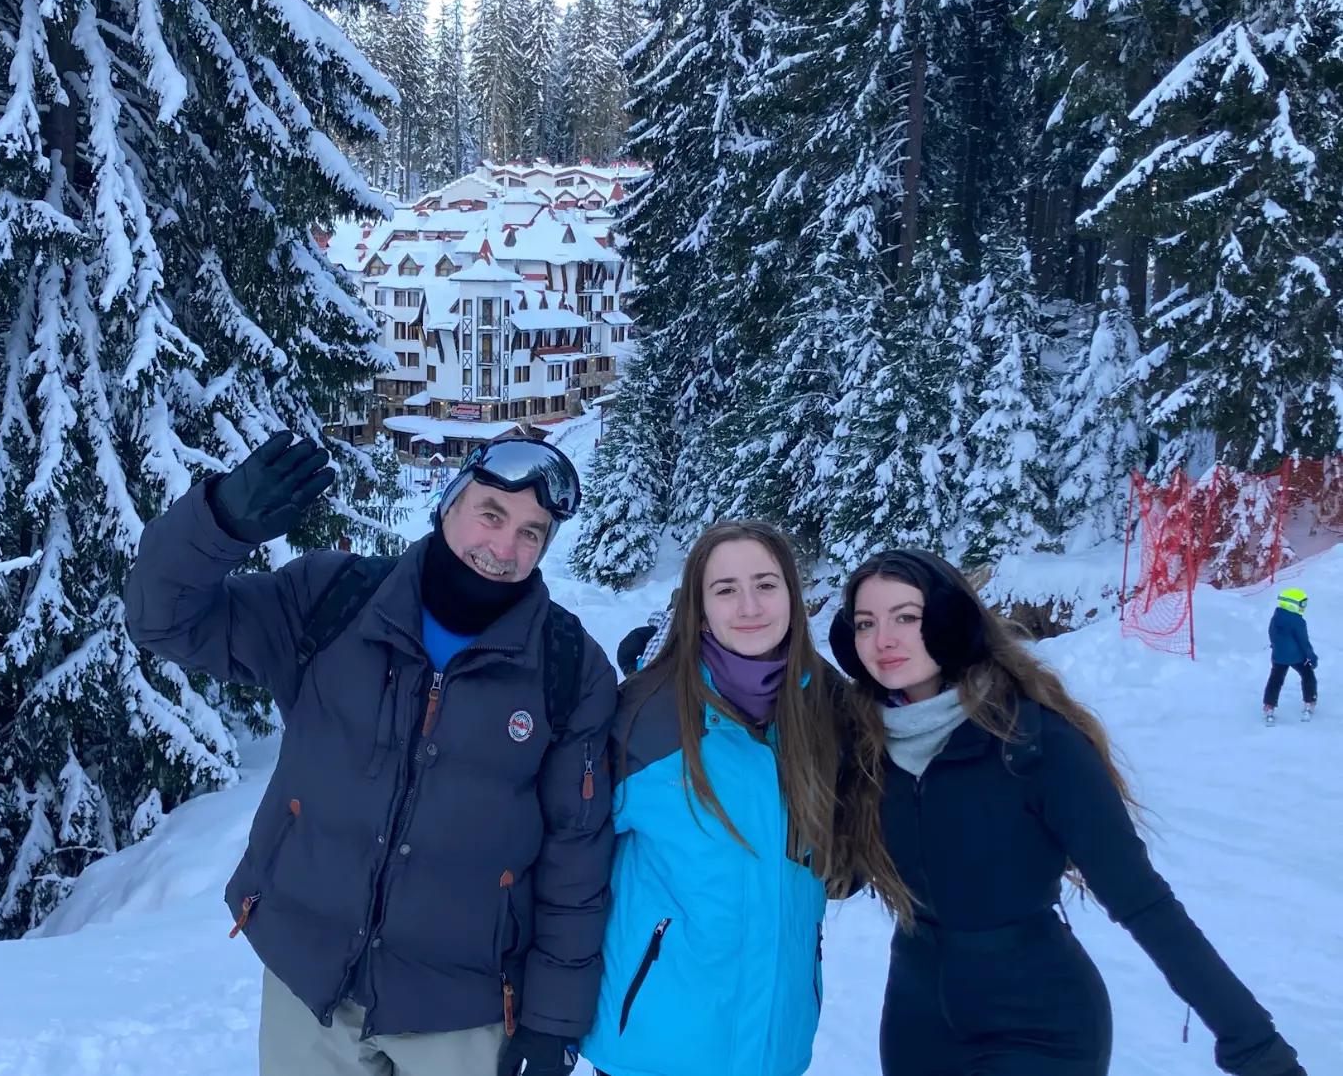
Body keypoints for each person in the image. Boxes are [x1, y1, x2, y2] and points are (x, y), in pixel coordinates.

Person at [125, 432, 618, 1076]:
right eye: (491, 515)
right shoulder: (333, 600)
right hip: (309, 982)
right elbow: (163, 620)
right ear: (449, 504)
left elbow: (575, 860)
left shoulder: (569, 668)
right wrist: (219, 522)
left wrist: (553, 1023)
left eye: (532, 533)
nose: (504, 549)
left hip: (463, 1011)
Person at [828, 547, 1306, 1076]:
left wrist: (1256, 1048)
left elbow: (1143, 902)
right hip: (917, 1025)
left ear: (951, 620)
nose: (883, 640)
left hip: (1038, 1027)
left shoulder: (1033, 742)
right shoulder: (865, 748)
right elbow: (838, 877)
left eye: (906, 617)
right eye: (865, 623)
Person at [581, 522, 844, 1076]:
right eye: (725, 589)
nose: (749, 606)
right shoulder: (641, 717)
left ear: (793, 598)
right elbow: (568, 866)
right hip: (653, 1051)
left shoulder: (832, 708)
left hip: (777, 1046)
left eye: (766, 584)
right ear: (699, 611)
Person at [1263, 587, 1318, 725]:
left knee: (1275, 680)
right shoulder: (1298, 621)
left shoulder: (1276, 617)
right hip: (1297, 657)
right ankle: (1310, 701)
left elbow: (1271, 634)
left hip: (1279, 656)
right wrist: (1311, 656)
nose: (1303, 607)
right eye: (1302, 604)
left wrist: (1276, 647)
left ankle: (1269, 706)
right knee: (1308, 676)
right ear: (1291, 604)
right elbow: (1303, 641)